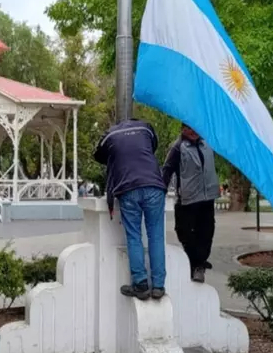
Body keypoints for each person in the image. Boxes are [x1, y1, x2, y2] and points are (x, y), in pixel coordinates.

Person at [94, 119, 167, 300]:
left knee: (134, 236)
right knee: (156, 235)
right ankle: (158, 286)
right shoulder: (146, 127)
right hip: (154, 185)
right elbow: (152, 146)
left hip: (128, 187)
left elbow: (98, 155)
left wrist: (117, 157)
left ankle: (140, 284)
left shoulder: (110, 135)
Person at [163, 124, 219, 283]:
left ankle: (199, 263)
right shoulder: (178, 147)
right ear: (182, 129)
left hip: (207, 198)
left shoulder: (207, 144)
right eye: (189, 128)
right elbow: (167, 170)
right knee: (184, 232)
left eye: (195, 126)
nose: (193, 131)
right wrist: (160, 192)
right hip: (188, 199)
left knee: (206, 232)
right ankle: (194, 262)